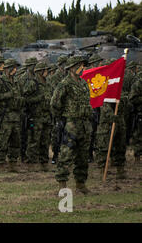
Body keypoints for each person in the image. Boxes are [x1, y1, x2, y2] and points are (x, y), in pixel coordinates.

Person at [51, 56, 92, 194]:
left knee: (82, 156)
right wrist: (62, 118)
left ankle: (81, 184)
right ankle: (62, 184)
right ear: (72, 67)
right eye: (80, 66)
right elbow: (55, 103)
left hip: (84, 124)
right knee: (66, 155)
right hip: (71, 124)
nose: (83, 68)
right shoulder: (65, 84)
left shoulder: (83, 83)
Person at [0, 58, 22, 173]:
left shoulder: (16, 82)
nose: (15, 70)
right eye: (13, 67)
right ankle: (0, 164)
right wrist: (8, 95)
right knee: (2, 141)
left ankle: (13, 163)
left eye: (16, 68)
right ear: (7, 69)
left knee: (16, 141)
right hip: (5, 116)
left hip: (16, 116)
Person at [25, 62, 52, 172]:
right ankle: (31, 164)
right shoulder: (32, 83)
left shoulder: (47, 83)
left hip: (46, 116)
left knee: (45, 140)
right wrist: (38, 99)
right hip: (36, 116)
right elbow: (25, 99)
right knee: (34, 141)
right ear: (40, 71)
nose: (47, 72)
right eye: (45, 70)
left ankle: (44, 163)